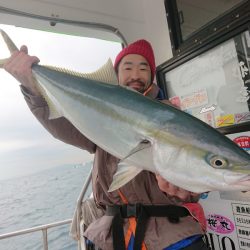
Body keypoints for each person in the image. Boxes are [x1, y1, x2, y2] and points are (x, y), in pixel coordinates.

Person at [4, 39, 209, 250]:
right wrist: (31, 85)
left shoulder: (171, 116)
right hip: (114, 236)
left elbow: (196, 172)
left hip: (172, 236)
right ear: (116, 75)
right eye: (127, 67)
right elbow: (60, 124)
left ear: (151, 75)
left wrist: (188, 191)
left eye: (143, 67)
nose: (136, 74)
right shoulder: (95, 118)